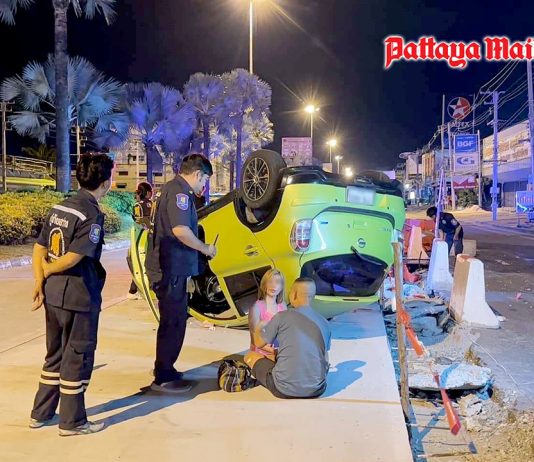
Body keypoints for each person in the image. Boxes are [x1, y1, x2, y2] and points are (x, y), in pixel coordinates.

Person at [29, 154, 114, 436]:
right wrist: (49, 270)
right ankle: (73, 422)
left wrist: (40, 281)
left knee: (54, 355)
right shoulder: (92, 214)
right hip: (79, 295)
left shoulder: (60, 207)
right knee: (77, 356)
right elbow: (75, 256)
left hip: (54, 295)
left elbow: (40, 248)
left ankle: (41, 414)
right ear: (105, 182)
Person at [145, 153, 217, 393]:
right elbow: (181, 230)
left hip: (169, 268)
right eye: (204, 180)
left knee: (172, 321)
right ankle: (163, 377)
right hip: (171, 269)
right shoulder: (180, 194)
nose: (203, 185)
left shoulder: (171, 189)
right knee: (173, 323)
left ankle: (165, 368)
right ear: (197, 174)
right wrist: (205, 248)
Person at [244, 278, 331, 399]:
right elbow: (324, 357)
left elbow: (258, 343)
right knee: (276, 356)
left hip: (283, 389)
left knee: (251, 356)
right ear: (313, 296)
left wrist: (259, 327)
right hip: (317, 390)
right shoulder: (324, 322)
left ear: (293, 294)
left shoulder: (281, 317)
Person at [248, 269, 287, 361]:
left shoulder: (282, 305)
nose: (273, 286)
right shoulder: (256, 307)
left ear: (281, 286)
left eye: (277, 282)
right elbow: (255, 340)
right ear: (264, 284)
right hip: (262, 354)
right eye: (270, 282)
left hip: (279, 351)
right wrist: (275, 351)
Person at [127, 182, 153, 300]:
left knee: (137, 263)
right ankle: (135, 290)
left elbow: (137, 221)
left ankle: (134, 290)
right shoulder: (152, 204)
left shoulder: (137, 205)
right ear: (147, 193)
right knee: (144, 264)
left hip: (138, 238)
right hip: (149, 237)